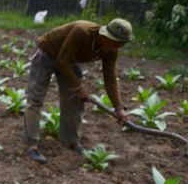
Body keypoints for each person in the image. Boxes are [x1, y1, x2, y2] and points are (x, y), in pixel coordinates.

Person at [22, 18, 133, 164]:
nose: (115, 48)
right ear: (105, 35)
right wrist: (79, 88)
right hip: (48, 53)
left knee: (75, 100)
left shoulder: (111, 51)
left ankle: (71, 141)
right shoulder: (83, 32)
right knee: (35, 99)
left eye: (120, 45)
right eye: (114, 43)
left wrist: (119, 108)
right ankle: (32, 144)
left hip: (68, 58)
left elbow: (110, 78)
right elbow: (62, 60)